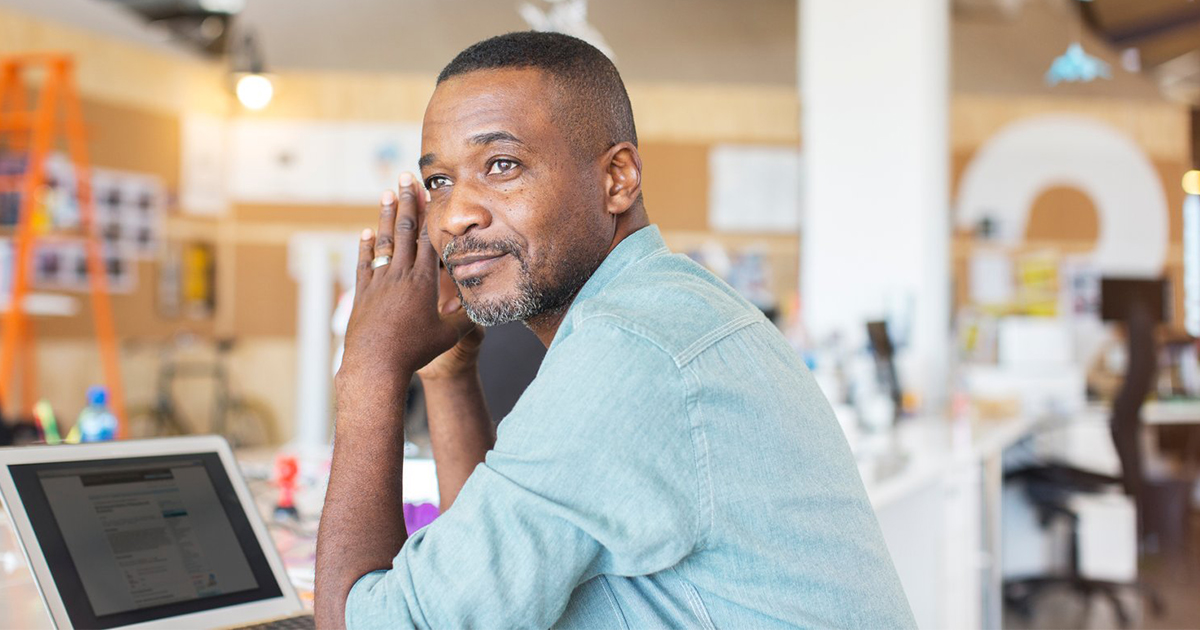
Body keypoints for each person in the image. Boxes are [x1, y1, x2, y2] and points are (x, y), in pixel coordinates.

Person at [315, 31, 915, 629]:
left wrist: (368, 367)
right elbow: (479, 577)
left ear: (619, 178)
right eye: (439, 182)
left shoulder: (628, 352)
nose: (454, 216)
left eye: (501, 165)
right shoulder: (669, 305)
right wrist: (447, 375)